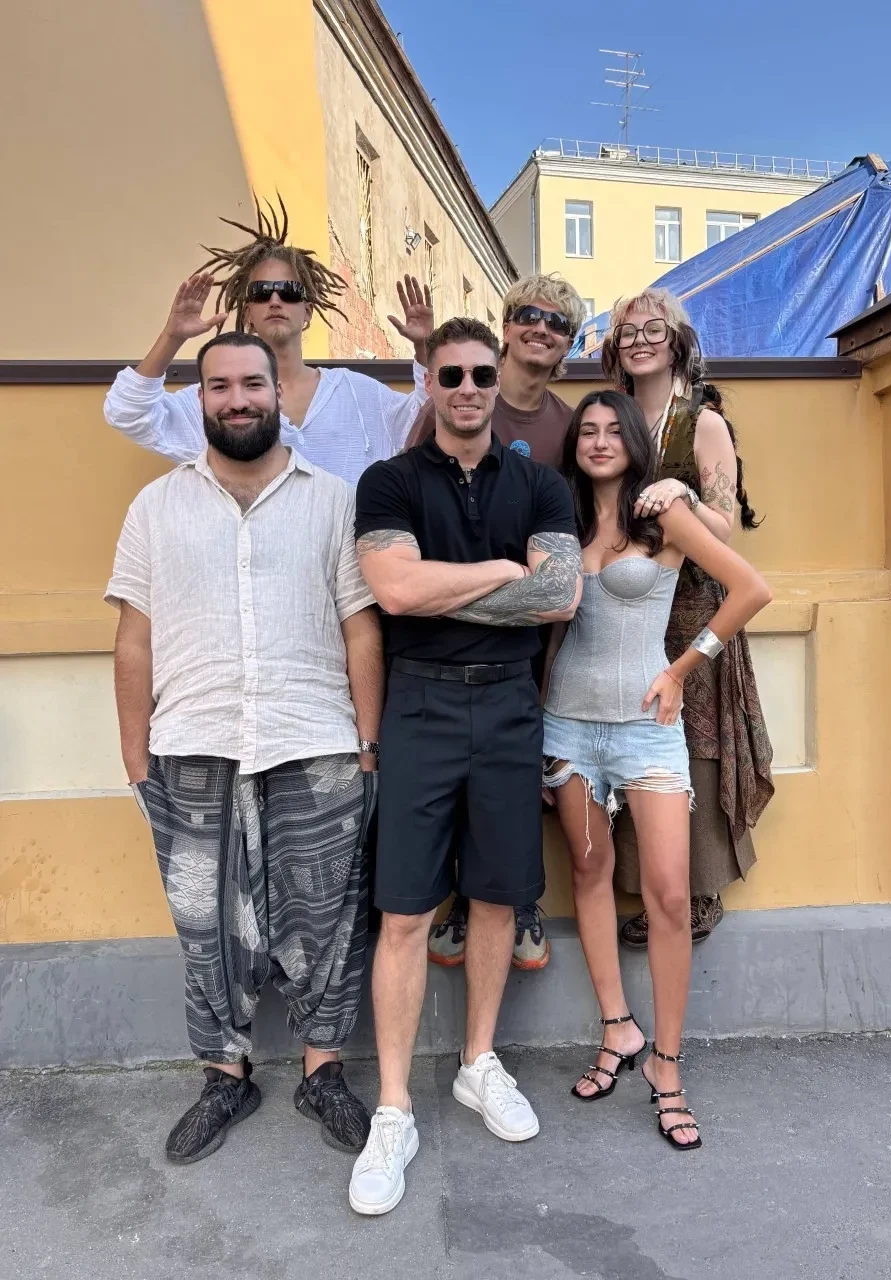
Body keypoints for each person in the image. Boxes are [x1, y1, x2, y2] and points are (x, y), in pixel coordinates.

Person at [106, 331, 384, 1164]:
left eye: (252, 384)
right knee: (206, 926)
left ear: (276, 393)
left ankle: (322, 1073)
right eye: (220, 386)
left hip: (317, 739)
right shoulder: (155, 508)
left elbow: (360, 628)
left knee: (329, 918)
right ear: (201, 400)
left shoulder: (334, 500)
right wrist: (134, 759)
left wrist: (369, 743)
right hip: (191, 744)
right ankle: (224, 1077)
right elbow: (132, 640)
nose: (237, 399)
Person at [348, 317, 582, 1215]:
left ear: (498, 376)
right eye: (450, 374)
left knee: (494, 896)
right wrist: (500, 569)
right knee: (406, 910)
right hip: (420, 704)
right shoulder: (390, 480)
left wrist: (445, 588)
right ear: (432, 382)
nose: (469, 388)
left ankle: (478, 1062)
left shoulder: (540, 483)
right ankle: (394, 1108)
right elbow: (394, 590)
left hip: (511, 707)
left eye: (482, 373)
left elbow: (559, 595)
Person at [542, 389, 771, 1150]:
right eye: (587, 431)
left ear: (634, 442)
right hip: (567, 727)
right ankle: (618, 1029)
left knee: (670, 895)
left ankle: (666, 1065)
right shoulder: (561, 520)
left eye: (614, 429)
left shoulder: (662, 514)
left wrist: (680, 670)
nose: (600, 441)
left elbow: (751, 590)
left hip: (647, 731)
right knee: (589, 873)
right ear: (575, 444)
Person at [408, 272, 588, 971]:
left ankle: (516, 899)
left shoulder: (568, 425)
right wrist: (456, 589)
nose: (542, 328)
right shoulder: (455, 399)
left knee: (521, 760)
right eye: (530, 314)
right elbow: (414, 517)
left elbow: (570, 542)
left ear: (569, 344)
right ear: (507, 325)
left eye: (559, 322)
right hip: (443, 633)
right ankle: (464, 896)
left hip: (535, 630)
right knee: (455, 764)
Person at [601, 289, 774, 947]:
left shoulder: (702, 423)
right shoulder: (616, 419)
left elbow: (723, 528)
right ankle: (654, 886)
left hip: (693, 609)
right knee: (635, 741)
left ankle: (697, 892)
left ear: (677, 342)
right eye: (627, 332)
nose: (640, 340)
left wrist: (682, 494)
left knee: (691, 748)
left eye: (654, 329)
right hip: (627, 605)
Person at [104, 195, 433, 484]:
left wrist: (424, 347)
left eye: (289, 291)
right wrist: (172, 337)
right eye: (262, 292)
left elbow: (425, 420)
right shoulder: (226, 400)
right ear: (248, 312)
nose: (275, 300)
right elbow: (127, 412)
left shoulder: (358, 395)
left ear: (307, 311)